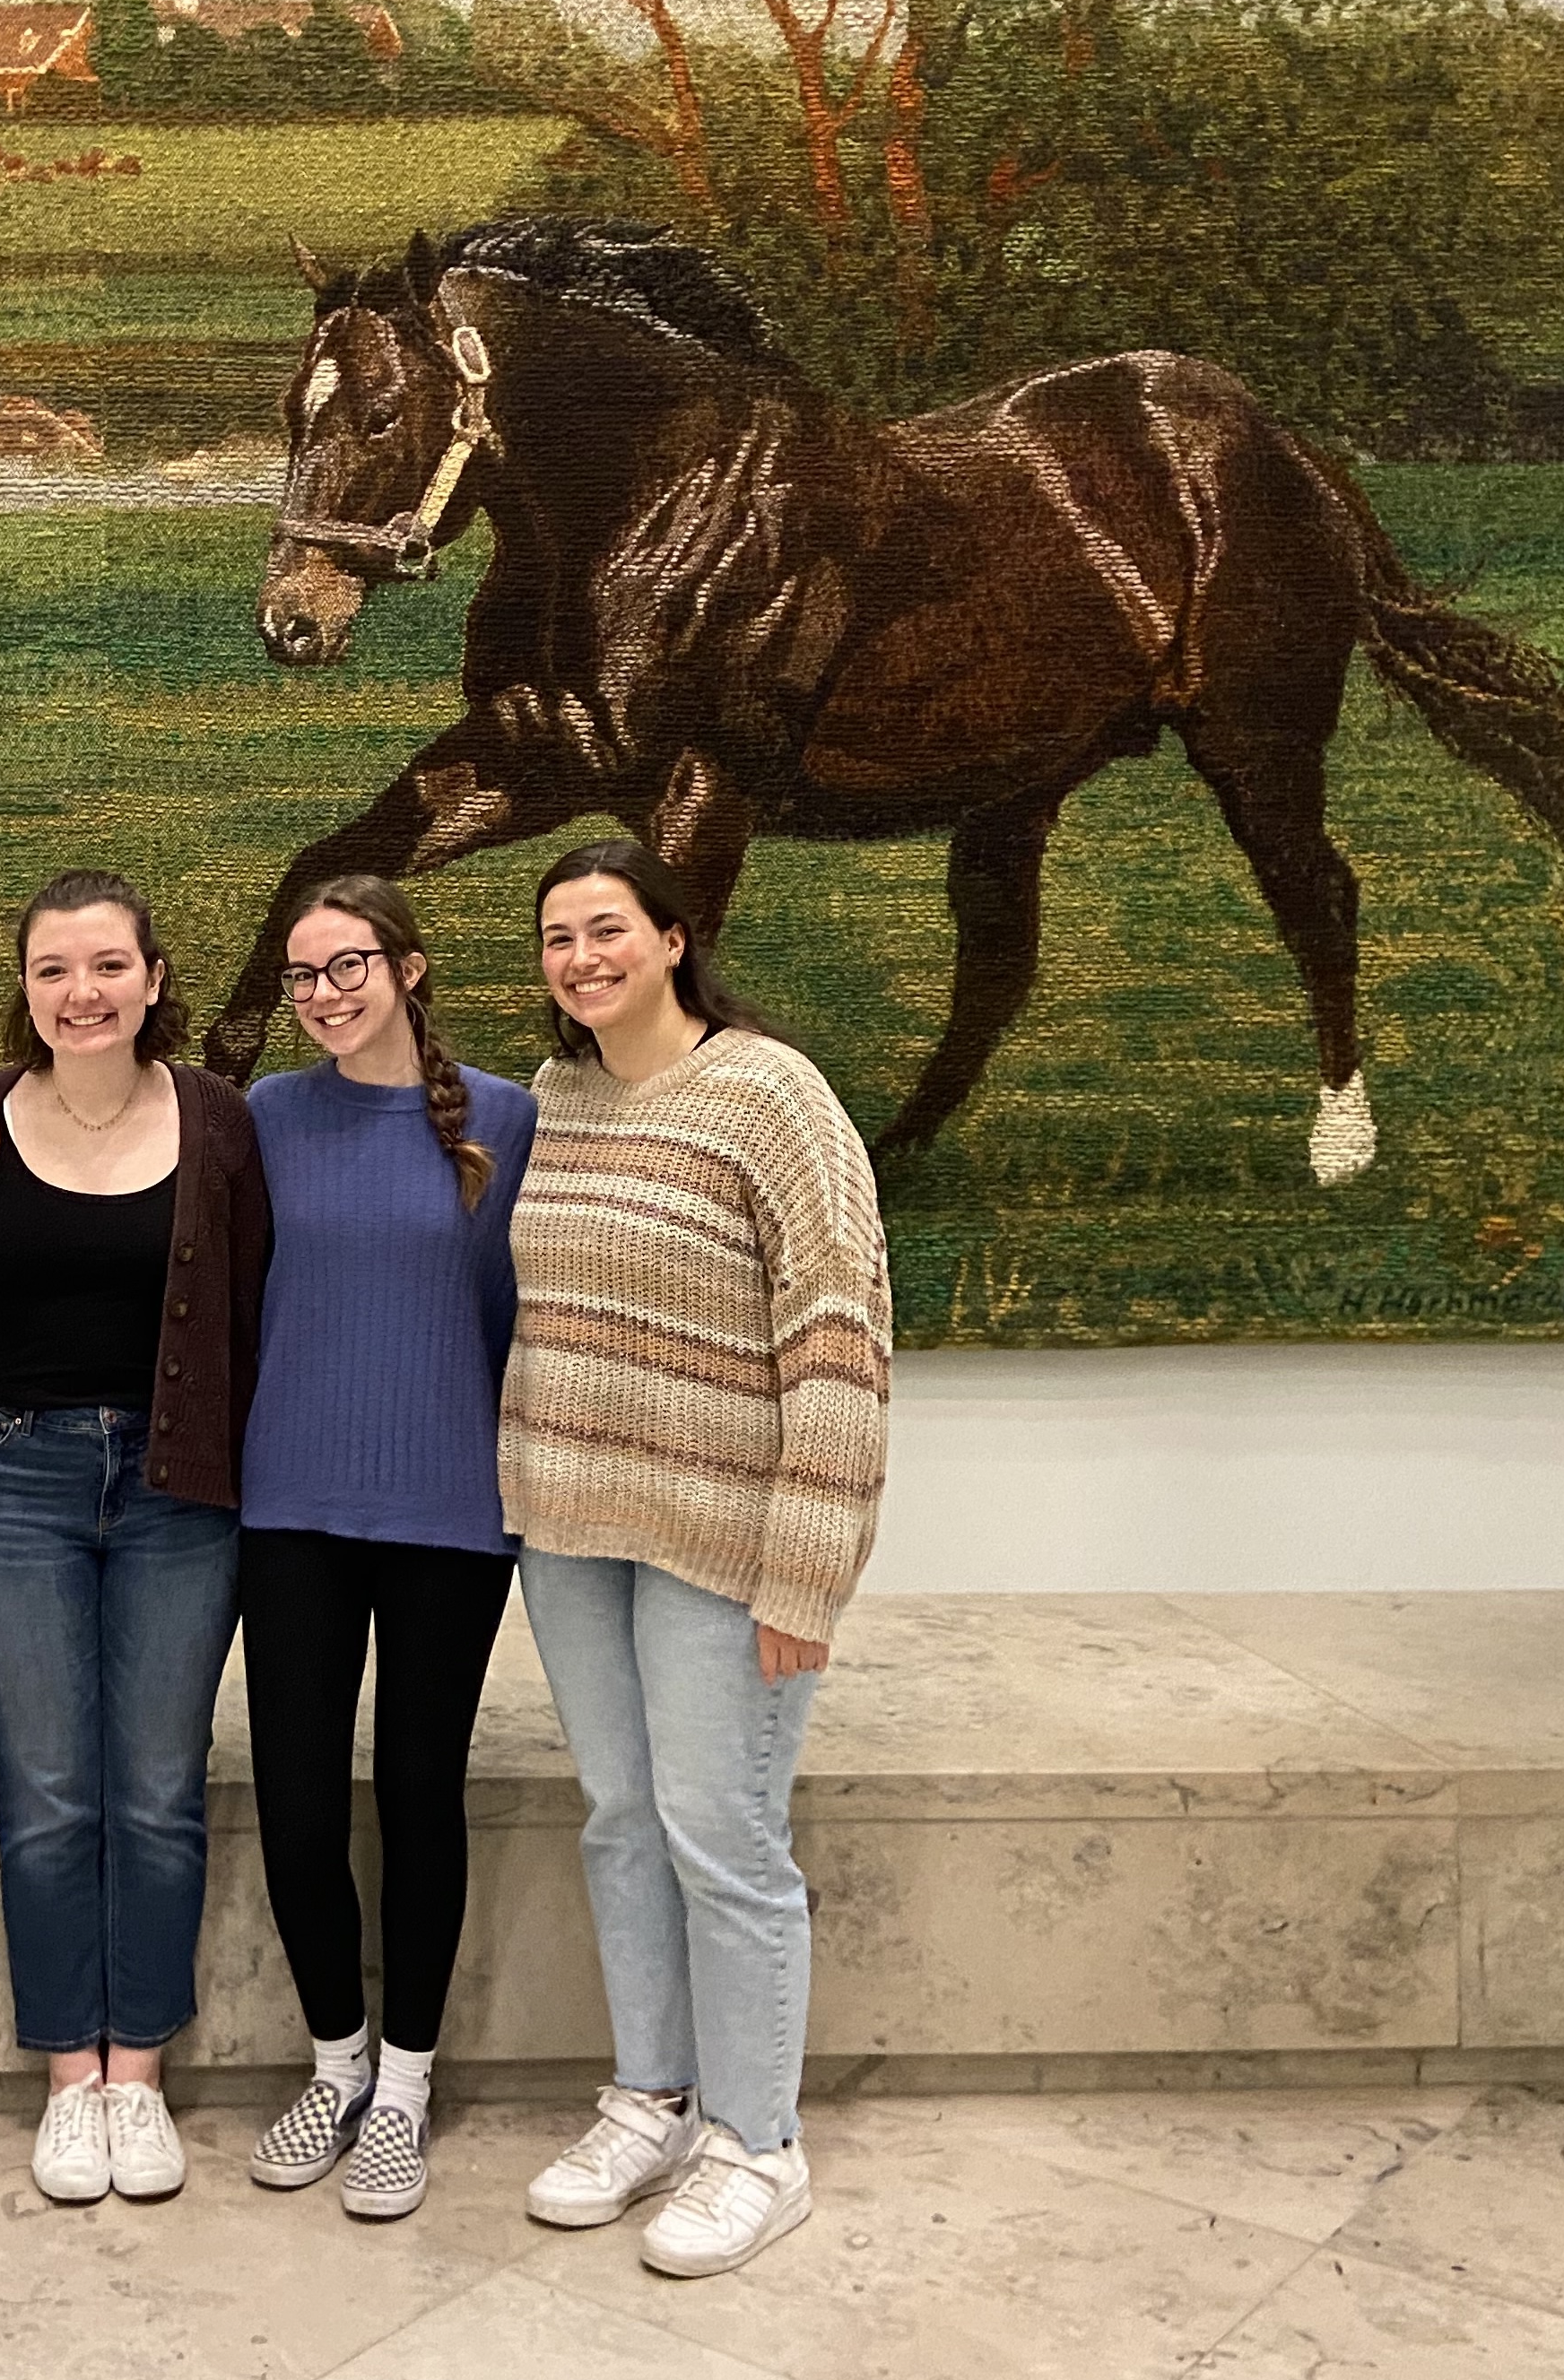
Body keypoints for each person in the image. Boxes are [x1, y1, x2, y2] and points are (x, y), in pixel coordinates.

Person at [501, 837, 891, 2280]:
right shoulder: (556, 1097)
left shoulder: (772, 1093)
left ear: (672, 937)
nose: (580, 958)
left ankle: (755, 2140)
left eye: (604, 930)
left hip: (722, 1543)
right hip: (572, 1529)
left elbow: (839, 1331)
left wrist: (808, 1568)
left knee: (720, 1835)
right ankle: (650, 2099)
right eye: (555, 939)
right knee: (618, 1814)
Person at [0, 870, 271, 2206]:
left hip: (178, 1487)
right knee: (49, 1789)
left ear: (151, 976)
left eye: (106, 966)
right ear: (24, 988)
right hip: (7, 1483)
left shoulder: (219, 1122)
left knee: (155, 1787)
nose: (82, 992)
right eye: (52, 970)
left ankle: (140, 2071)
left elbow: (258, 1306)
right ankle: (70, 2075)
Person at [235, 875, 537, 2223]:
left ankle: (404, 2087)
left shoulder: (506, 1121)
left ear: (407, 968)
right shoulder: (264, 1119)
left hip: (445, 1519)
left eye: (344, 965)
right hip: (289, 1505)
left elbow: (514, 1323)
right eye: (300, 976)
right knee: (296, 1803)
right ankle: (334, 2061)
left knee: (418, 1796)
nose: (321, 996)